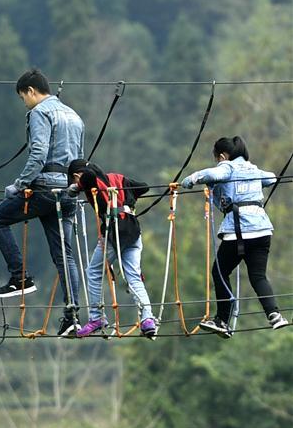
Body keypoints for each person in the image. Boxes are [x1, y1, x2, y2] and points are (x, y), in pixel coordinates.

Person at [0, 68, 84, 338]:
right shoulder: (74, 116)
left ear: (31, 91)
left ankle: (20, 276)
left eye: (23, 98)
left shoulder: (40, 112)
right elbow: (80, 159)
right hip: (68, 191)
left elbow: (39, 152)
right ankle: (72, 317)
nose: (25, 103)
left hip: (43, 190)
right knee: (65, 256)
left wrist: (20, 184)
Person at [181, 136, 288, 338]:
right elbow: (272, 178)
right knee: (258, 276)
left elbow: (214, 174)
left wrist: (191, 179)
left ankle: (222, 319)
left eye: (217, 159)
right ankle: (274, 315)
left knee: (219, 272)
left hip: (239, 231)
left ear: (222, 156)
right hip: (263, 231)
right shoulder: (254, 169)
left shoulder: (227, 167)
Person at [67, 159, 157, 338]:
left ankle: (96, 317)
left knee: (93, 271)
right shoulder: (117, 178)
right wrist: (128, 200)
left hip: (114, 231)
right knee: (133, 275)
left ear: (77, 176)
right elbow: (144, 187)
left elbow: (90, 175)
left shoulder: (89, 180)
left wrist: (77, 187)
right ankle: (148, 319)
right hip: (133, 229)